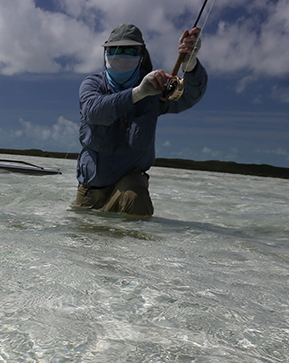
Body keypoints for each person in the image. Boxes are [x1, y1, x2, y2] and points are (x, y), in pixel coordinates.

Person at [73, 23, 207, 217]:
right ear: (105, 53)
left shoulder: (156, 87)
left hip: (130, 182)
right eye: (114, 49)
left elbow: (190, 96)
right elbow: (94, 112)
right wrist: (138, 93)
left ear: (141, 55)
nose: (121, 54)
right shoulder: (92, 84)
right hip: (90, 189)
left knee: (135, 197)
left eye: (130, 49)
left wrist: (190, 63)